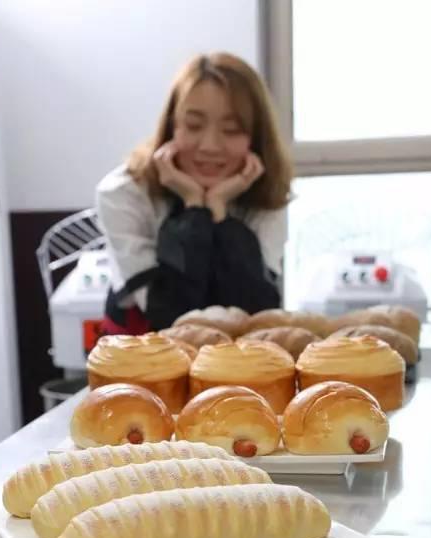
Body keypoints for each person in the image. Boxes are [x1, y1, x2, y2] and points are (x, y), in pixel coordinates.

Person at [96, 52, 292, 334]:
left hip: (238, 361)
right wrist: (194, 209)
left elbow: (257, 314)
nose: (210, 145)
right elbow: (169, 314)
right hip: (141, 356)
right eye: (193, 126)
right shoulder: (123, 194)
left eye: (232, 129)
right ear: (172, 126)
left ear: (256, 138)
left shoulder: (268, 196)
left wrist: (218, 211)